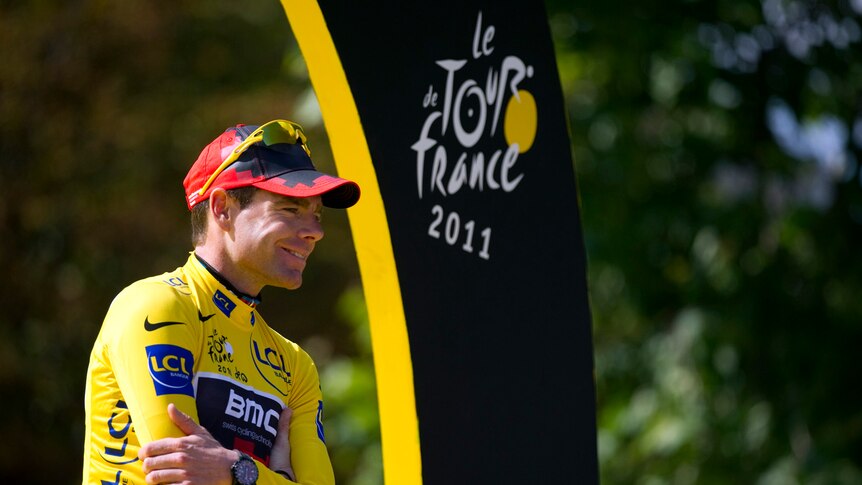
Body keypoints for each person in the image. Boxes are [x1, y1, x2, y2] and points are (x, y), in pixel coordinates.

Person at [82, 119, 360, 484]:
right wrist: (273, 475)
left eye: (316, 214)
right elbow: (181, 476)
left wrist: (233, 470)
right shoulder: (156, 306)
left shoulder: (295, 366)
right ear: (222, 207)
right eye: (290, 209)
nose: (315, 231)